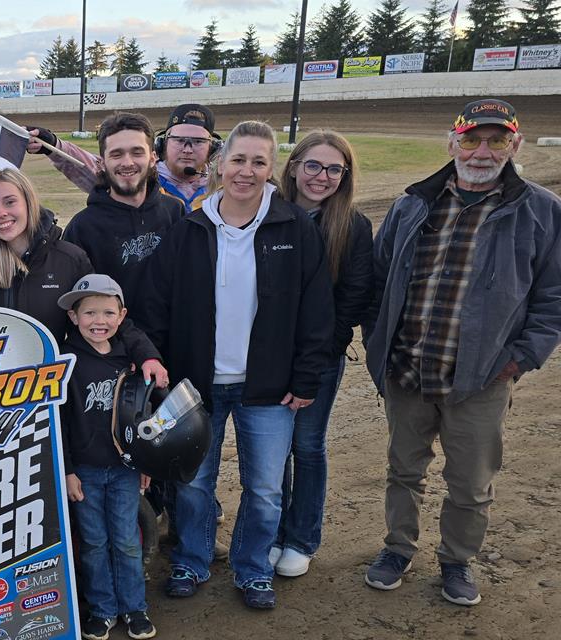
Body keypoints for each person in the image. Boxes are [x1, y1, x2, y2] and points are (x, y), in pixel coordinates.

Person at [362, 99, 561, 606]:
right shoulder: (412, 204)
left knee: (470, 485)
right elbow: (378, 280)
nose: (482, 151)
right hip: (407, 370)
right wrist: (376, 340)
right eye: (471, 139)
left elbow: (553, 299)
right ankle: (397, 549)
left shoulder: (541, 211)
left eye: (497, 140)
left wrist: (519, 359)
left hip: (482, 379)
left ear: (515, 145)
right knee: (403, 471)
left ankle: (456, 561)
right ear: (452, 143)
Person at [143, 121, 333, 609]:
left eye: (258, 162)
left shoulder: (295, 229)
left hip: (268, 388)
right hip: (198, 386)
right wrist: (160, 374)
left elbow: (317, 312)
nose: (246, 171)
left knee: (266, 488)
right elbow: (158, 308)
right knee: (194, 485)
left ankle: (253, 570)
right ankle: (192, 559)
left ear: (273, 170)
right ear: (219, 164)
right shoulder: (190, 227)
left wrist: (306, 375)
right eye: (238, 160)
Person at [269, 130, 374, 577]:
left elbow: (353, 300)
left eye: (334, 169)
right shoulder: (266, 213)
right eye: (313, 165)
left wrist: (317, 360)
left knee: (307, 446)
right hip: (268, 356)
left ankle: (301, 538)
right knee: (272, 451)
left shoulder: (352, 225)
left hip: (319, 359)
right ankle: (271, 532)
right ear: (293, 166)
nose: (322, 176)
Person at [0, 167, 167, 385]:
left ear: (29, 203)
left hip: (50, 387)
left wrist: (146, 355)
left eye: (10, 202)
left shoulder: (69, 259)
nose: (1, 213)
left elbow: (104, 312)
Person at [58, 274, 156, 640]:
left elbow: (141, 417)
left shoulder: (128, 359)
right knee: (95, 542)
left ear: (122, 314)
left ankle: (135, 608)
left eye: (108, 313)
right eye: (89, 313)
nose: (99, 321)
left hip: (124, 469)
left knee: (128, 539)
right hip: (85, 470)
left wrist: (144, 462)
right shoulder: (67, 362)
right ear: (73, 316)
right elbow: (62, 424)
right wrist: (67, 471)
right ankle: (103, 610)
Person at [59, 112, 185, 328]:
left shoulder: (174, 211)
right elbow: (78, 308)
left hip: (175, 344)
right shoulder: (82, 228)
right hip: (114, 352)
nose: (127, 163)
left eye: (137, 152)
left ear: (153, 158)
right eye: (116, 154)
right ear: (102, 163)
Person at [27, 103, 221, 213]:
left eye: (197, 141)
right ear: (162, 145)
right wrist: (52, 145)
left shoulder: (224, 189)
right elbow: (88, 167)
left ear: (212, 148)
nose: (187, 149)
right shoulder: (141, 180)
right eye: (179, 140)